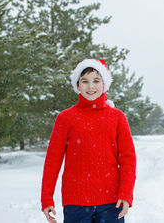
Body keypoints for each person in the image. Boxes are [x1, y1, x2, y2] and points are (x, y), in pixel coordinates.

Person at [41, 59, 137, 223]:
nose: (90, 86)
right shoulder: (65, 118)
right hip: (76, 204)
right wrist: (46, 198)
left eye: (96, 81)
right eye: (85, 81)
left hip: (111, 203)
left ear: (104, 84)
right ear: (77, 85)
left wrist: (126, 194)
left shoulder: (117, 117)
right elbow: (53, 160)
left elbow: (128, 159)